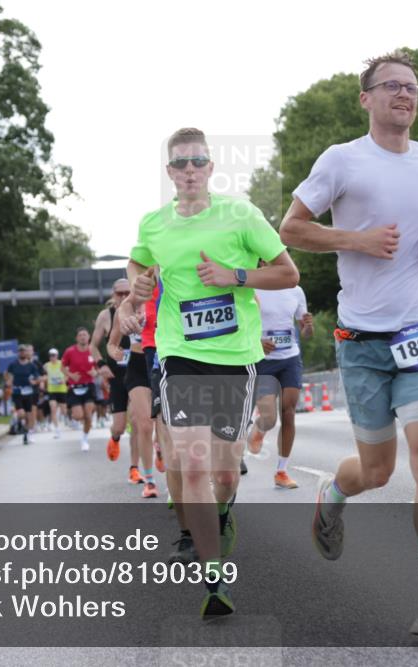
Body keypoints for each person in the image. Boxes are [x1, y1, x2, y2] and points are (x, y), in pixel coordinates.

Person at [279, 51, 418, 639]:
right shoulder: (342, 160)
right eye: (393, 86)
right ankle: (334, 493)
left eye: (413, 87)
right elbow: (291, 228)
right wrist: (355, 239)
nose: (405, 95)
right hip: (362, 342)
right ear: (367, 98)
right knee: (377, 472)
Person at [118, 126, 300, 619]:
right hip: (180, 355)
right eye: (181, 163)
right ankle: (214, 580)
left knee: (224, 473)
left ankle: (222, 513)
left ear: (211, 167)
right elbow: (137, 265)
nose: (190, 170)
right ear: (170, 171)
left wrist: (234, 276)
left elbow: (288, 273)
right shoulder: (154, 224)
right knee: (194, 464)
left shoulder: (241, 215)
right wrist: (139, 287)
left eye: (198, 161)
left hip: (236, 357)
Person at [248, 275, 315, 489]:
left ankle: (282, 471)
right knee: (269, 417)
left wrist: (308, 326)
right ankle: (260, 427)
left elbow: (306, 332)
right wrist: (256, 341)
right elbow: (241, 324)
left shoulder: (295, 290)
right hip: (263, 360)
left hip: (290, 358)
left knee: (289, 412)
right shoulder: (252, 287)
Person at [109, 285, 158, 497]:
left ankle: (162, 451)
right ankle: (150, 481)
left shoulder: (163, 296)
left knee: (164, 426)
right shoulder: (125, 308)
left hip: (161, 361)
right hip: (137, 367)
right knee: (144, 424)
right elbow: (111, 344)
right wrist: (115, 352)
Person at [93, 280, 137, 472]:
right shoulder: (106, 316)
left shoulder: (140, 310)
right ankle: (115, 437)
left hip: (137, 374)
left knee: (137, 422)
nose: (124, 296)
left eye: (127, 292)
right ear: (113, 294)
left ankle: (135, 468)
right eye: (120, 293)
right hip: (116, 377)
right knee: (119, 426)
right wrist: (101, 365)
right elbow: (93, 346)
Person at [62, 327, 99, 451]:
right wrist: (71, 375)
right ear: (76, 338)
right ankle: (76, 417)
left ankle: (84, 438)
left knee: (88, 415)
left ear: (89, 337)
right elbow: (62, 367)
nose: (83, 337)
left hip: (89, 386)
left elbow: (99, 367)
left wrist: (95, 373)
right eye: (80, 335)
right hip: (74, 387)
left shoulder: (93, 350)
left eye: (85, 335)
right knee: (78, 416)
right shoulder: (70, 351)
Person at [5, 345, 41, 445]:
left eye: (23, 351)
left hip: (28, 392)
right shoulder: (13, 364)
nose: (22, 353)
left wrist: (34, 382)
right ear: (18, 353)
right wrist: (9, 381)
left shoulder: (31, 366)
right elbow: (7, 374)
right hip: (17, 392)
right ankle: (21, 424)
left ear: (26, 353)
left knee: (29, 415)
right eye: (20, 351)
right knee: (21, 414)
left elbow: (38, 378)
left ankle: (27, 433)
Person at [42, 348, 67, 438]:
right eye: (50, 355)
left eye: (53, 355)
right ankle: (57, 430)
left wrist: (64, 381)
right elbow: (44, 376)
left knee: (64, 411)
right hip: (52, 390)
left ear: (57, 356)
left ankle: (62, 416)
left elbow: (67, 375)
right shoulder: (46, 366)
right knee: (53, 409)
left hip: (61, 390)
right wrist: (43, 381)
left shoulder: (62, 364)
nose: (52, 357)